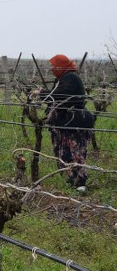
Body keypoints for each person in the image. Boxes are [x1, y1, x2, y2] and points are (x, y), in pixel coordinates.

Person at [40, 54, 94, 192]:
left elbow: (59, 95)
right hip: (63, 123)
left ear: (61, 66)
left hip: (76, 123)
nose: (52, 68)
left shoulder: (71, 78)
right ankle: (69, 180)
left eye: (54, 66)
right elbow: (54, 97)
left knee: (77, 153)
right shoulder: (61, 78)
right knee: (63, 152)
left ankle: (80, 183)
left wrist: (42, 93)